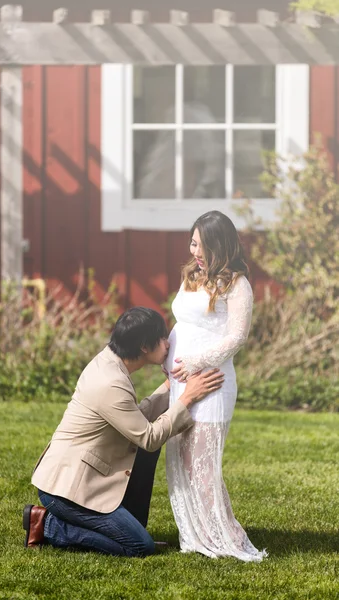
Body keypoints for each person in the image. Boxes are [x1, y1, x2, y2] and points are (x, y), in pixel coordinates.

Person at [23, 307, 225, 557]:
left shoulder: (111, 362)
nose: (167, 343)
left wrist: (170, 386)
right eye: (162, 338)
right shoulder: (110, 382)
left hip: (89, 475)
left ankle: (125, 527)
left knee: (135, 527)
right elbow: (149, 438)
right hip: (67, 490)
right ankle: (48, 525)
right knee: (139, 546)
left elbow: (135, 419)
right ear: (143, 346)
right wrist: (187, 399)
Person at [163, 210, 267, 561]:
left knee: (204, 464)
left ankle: (228, 537)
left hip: (212, 381)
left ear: (219, 245)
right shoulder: (192, 275)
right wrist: (170, 365)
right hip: (180, 383)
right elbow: (183, 323)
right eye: (192, 242)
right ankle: (199, 532)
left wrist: (194, 363)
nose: (194, 250)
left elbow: (236, 337)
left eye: (201, 245)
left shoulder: (237, 285)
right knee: (182, 458)